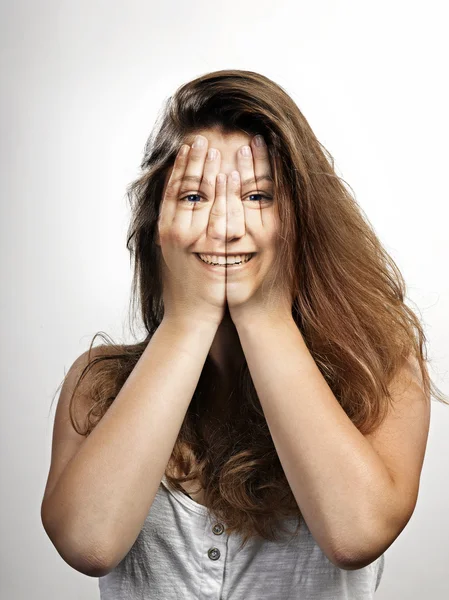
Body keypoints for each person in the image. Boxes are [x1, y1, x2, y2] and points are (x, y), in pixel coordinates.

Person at [41, 69, 445, 599]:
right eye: (193, 197)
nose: (226, 225)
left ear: (303, 217)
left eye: (258, 197)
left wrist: (263, 313)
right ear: (154, 226)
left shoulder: (382, 372)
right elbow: (88, 544)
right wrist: (187, 319)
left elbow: (356, 534)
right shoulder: (99, 384)